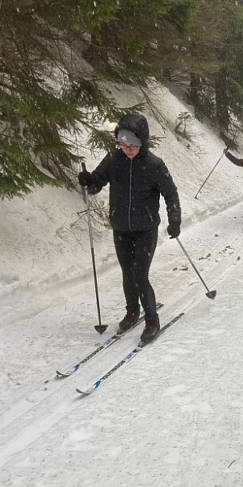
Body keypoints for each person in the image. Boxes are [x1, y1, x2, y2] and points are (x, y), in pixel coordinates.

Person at [78, 113, 181, 344]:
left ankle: (152, 319)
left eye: (133, 145)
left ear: (142, 142)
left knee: (139, 274)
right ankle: (132, 311)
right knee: (127, 273)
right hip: (121, 227)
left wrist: (175, 219)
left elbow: (170, 193)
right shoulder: (114, 161)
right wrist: (87, 181)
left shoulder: (154, 165)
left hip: (146, 229)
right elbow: (96, 184)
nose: (127, 149)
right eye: (123, 145)